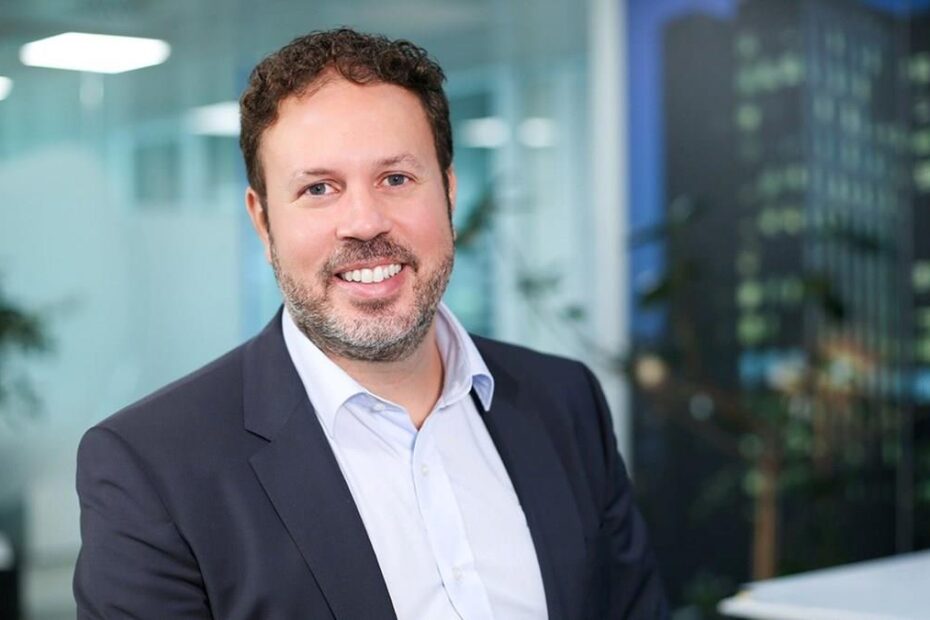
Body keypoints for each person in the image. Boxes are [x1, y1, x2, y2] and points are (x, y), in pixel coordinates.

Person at [73, 28, 668, 619]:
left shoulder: (565, 402)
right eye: (318, 188)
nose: (364, 222)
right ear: (263, 222)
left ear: (449, 193)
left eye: (396, 179)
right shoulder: (152, 470)